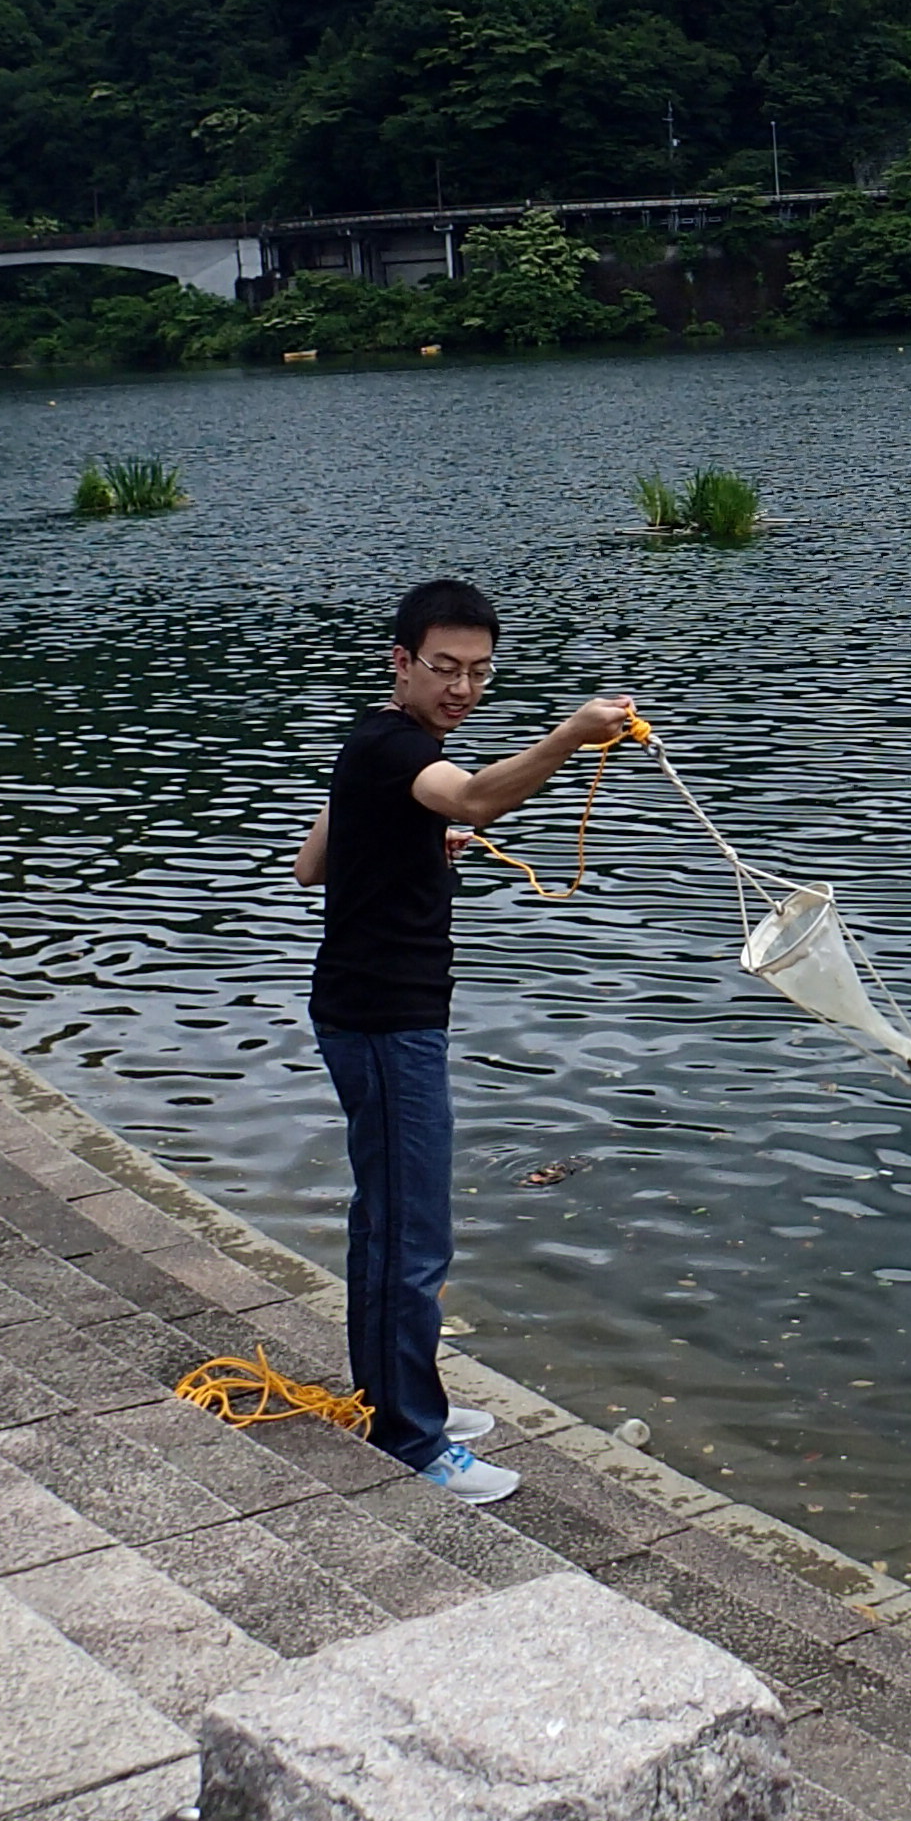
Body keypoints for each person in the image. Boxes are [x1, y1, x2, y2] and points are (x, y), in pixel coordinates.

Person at [292, 579, 633, 1504]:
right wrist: (570, 735)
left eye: (480, 672)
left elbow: (312, 863)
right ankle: (412, 1438)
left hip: (363, 1014)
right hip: (385, 1023)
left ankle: (388, 1397)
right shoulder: (400, 745)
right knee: (414, 1232)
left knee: (385, 1216)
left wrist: (409, 837)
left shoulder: (378, 747)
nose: (463, 688)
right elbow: (480, 801)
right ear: (400, 661)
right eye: (445, 668)